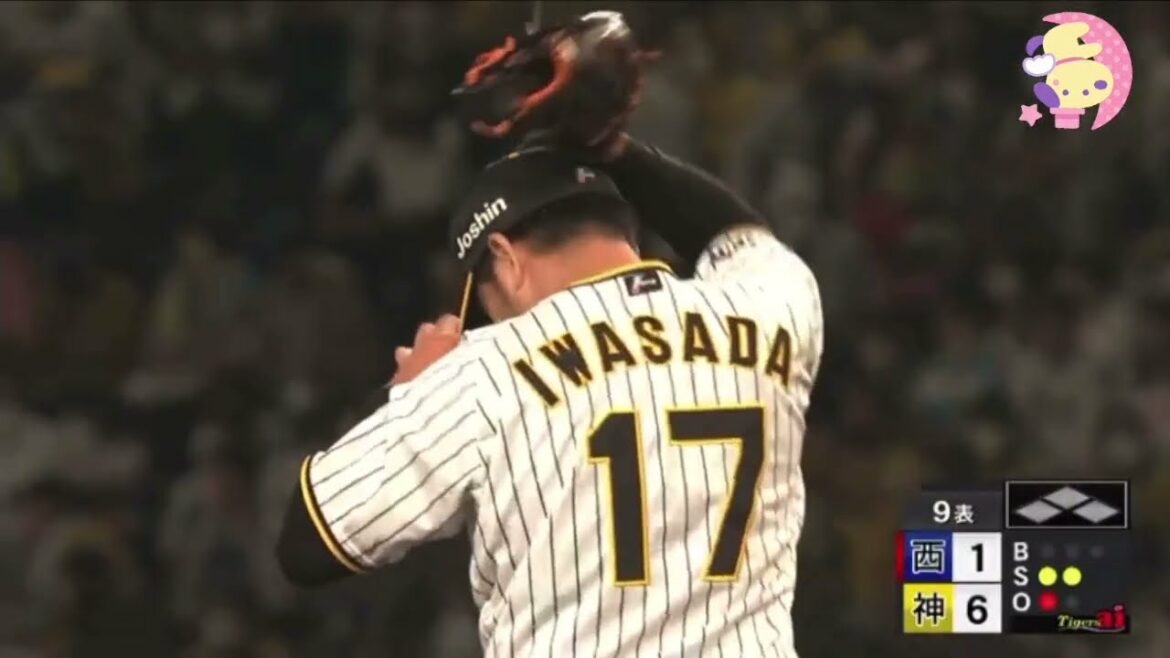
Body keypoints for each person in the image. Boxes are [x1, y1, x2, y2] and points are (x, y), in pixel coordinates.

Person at [275, 131, 823, 656]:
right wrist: (620, 151)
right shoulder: (764, 312)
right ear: (627, 234)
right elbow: (739, 235)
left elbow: (309, 543)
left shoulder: (486, 372)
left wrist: (406, 394)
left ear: (506, 258)